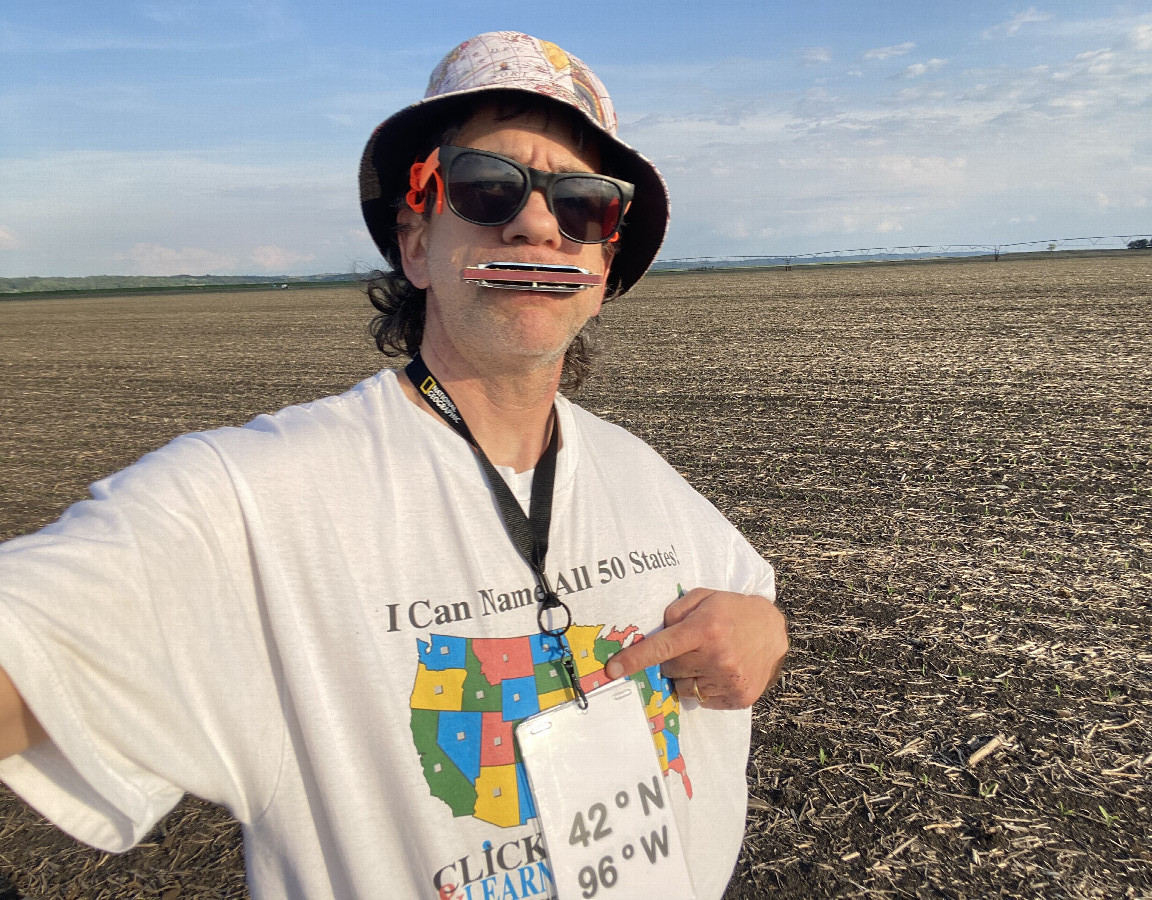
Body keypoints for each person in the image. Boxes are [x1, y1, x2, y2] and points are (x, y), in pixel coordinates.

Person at [0, 31, 787, 900]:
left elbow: (749, 607)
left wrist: (764, 632)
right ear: (415, 243)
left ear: (605, 262)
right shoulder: (252, 503)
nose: (536, 222)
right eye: (488, 188)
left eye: (585, 205)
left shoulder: (646, 481)